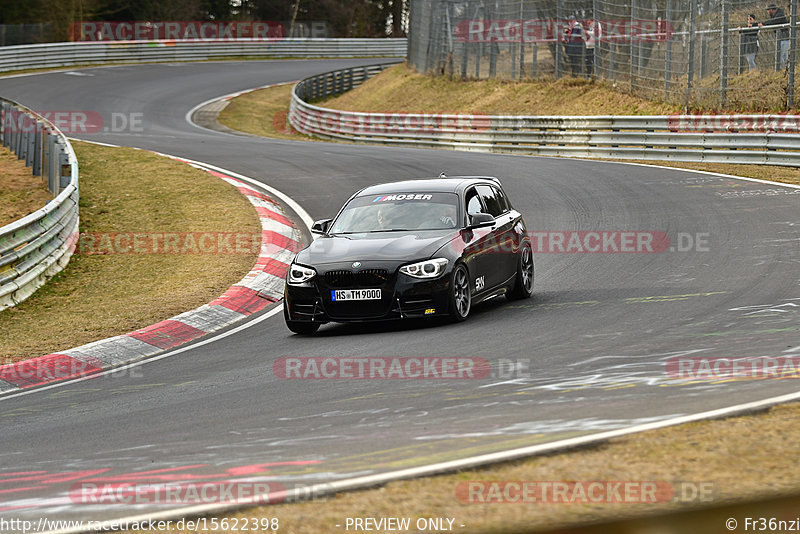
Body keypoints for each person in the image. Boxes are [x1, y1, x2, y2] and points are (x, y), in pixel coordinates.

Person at [761, 3, 789, 70]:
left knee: (780, 55)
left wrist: (764, 24)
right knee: (784, 55)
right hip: (780, 37)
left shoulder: (779, 15)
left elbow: (774, 21)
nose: (768, 12)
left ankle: (783, 69)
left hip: (784, 37)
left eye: (768, 10)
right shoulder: (775, 15)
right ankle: (786, 69)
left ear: (771, 10)